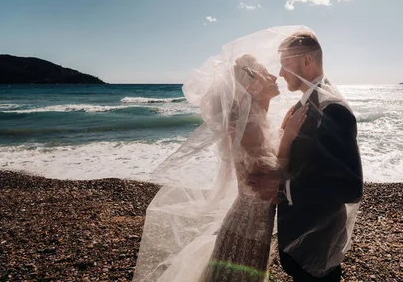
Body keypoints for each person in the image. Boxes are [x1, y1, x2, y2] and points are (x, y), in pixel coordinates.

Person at [133, 26, 311, 282]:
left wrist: (285, 128)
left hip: (252, 228)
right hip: (246, 230)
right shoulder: (248, 126)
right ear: (250, 87)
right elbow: (271, 176)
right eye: (264, 73)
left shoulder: (255, 119)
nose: (274, 76)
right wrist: (291, 135)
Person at [250, 31, 363, 282]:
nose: (280, 73)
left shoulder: (331, 109)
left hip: (318, 245)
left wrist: (282, 186)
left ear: (306, 61)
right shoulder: (303, 106)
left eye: (285, 64)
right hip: (303, 243)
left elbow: (350, 187)